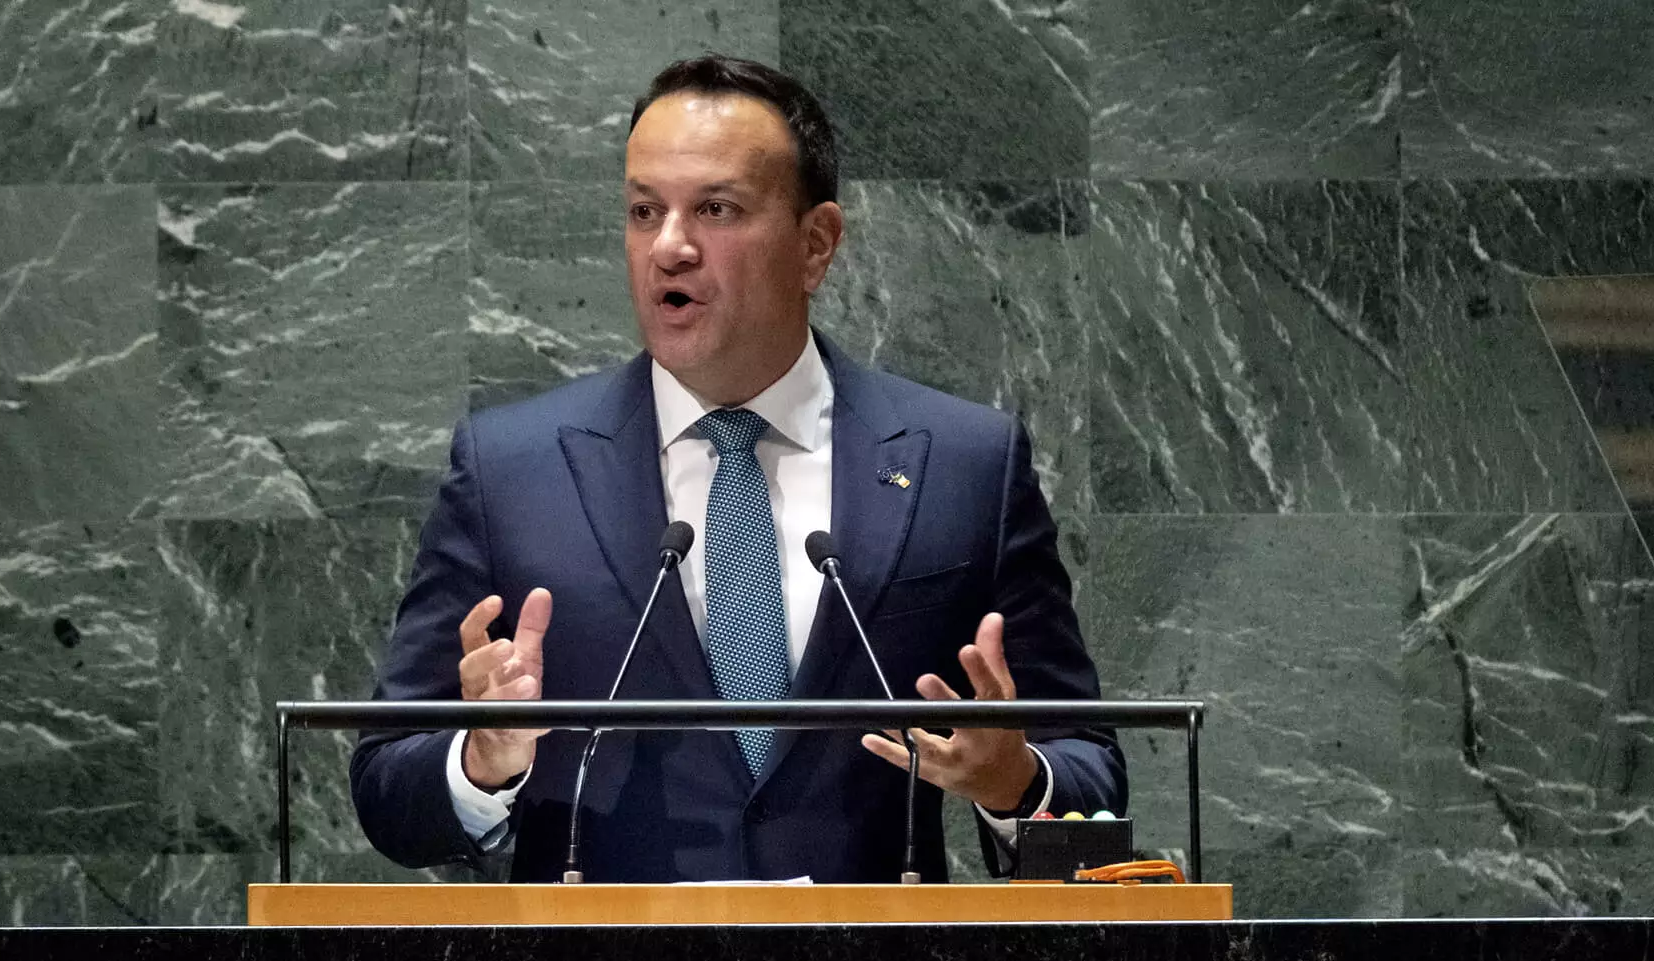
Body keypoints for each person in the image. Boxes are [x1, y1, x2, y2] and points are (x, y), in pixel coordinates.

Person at [349, 55, 1123, 883]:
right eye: (645, 210)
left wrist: (1011, 779)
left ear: (816, 243)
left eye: (715, 209)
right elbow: (388, 788)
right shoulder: (511, 469)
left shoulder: (964, 462)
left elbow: (1091, 769)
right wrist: (484, 756)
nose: (670, 248)